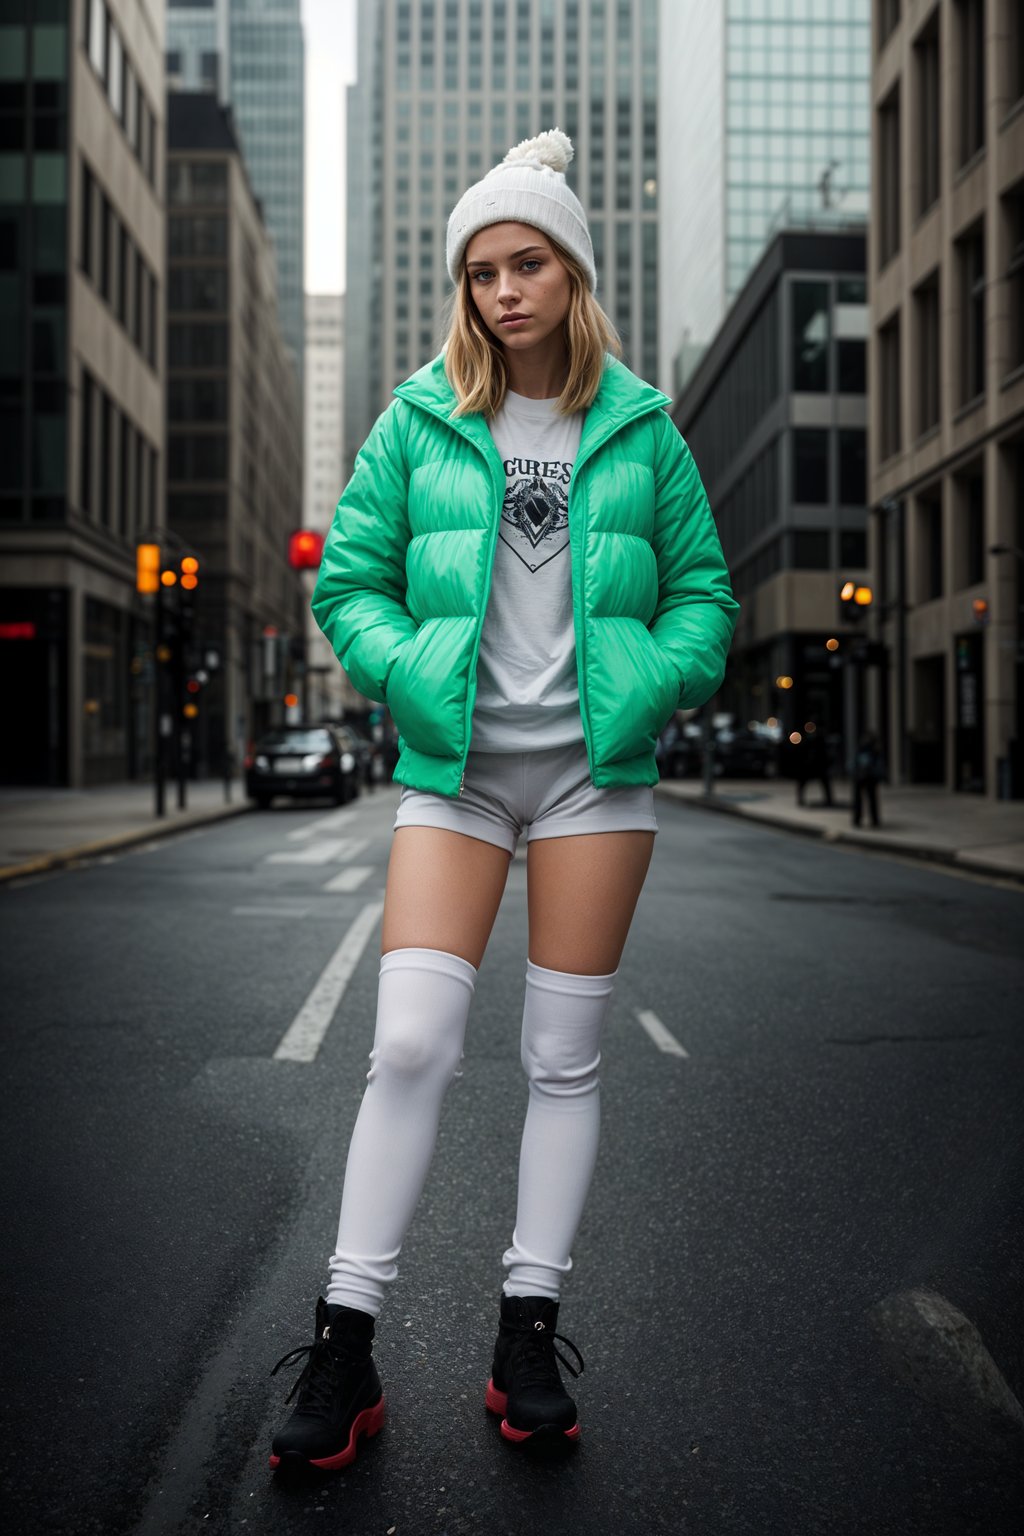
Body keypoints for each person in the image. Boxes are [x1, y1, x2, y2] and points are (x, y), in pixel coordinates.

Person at [268, 130, 739, 1472]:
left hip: (594, 774)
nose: (503, 293)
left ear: (572, 273)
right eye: (481, 272)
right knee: (411, 1042)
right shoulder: (422, 417)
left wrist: (649, 681)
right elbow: (347, 582)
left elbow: (705, 592)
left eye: (527, 264)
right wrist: (412, 670)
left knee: (562, 1058)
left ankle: (526, 1327)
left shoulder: (641, 425)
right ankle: (346, 1339)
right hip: (459, 771)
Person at [852, 730, 885, 828]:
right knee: (870, 799)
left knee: (867, 799)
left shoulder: (868, 750)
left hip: (866, 777)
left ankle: (860, 819)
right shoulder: (870, 750)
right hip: (865, 777)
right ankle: (868, 820)